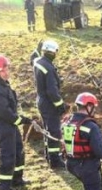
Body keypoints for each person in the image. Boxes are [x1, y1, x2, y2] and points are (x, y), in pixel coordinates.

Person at [0, 54, 32, 190]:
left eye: (7, 69)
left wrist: (19, 119)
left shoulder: (3, 83)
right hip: (5, 125)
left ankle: (17, 180)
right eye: (3, 70)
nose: (7, 72)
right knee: (7, 157)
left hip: (11, 124)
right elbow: (4, 112)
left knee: (18, 151)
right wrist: (20, 120)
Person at [33, 39, 70, 169]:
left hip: (41, 101)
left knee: (48, 130)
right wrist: (60, 106)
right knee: (54, 131)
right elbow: (52, 91)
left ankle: (49, 156)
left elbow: (33, 57)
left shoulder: (38, 62)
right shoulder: (48, 68)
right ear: (54, 52)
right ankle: (55, 161)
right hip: (49, 104)